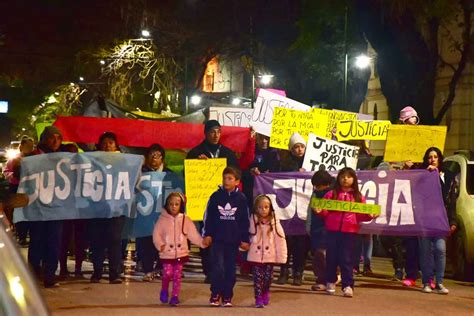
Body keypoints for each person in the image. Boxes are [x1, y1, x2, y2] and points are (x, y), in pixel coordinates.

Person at [186, 119, 239, 283]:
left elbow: (237, 174)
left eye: (218, 131)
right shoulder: (195, 152)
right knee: (207, 237)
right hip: (204, 204)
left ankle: (223, 269)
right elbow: (188, 175)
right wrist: (198, 165)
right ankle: (209, 271)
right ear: (205, 133)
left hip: (226, 204)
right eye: (212, 132)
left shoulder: (228, 153)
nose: (215, 135)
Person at [315, 167, 375, 297]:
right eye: (342, 176)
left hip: (350, 232)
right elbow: (325, 212)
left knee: (347, 259)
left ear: (354, 179)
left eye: (348, 176)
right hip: (332, 231)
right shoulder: (331, 194)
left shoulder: (358, 197)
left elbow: (360, 216)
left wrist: (370, 215)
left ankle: (347, 285)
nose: (345, 179)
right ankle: (330, 281)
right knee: (331, 257)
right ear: (338, 179)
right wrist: (320, 211)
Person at [202, 166, 250, 307]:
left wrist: (245, 239)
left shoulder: (241, 199)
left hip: (232, 241)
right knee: (217, 267)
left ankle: (227, 295)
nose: (226, 181)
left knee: (230, 269)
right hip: (217, 240)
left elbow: (244, 221)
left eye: (230, 178)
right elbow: (208, 217)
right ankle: (215, 293)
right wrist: (207, 234)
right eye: (224, 178)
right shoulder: (215, 197)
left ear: (237, 181)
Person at [153, 192, 210, 306]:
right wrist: (160, 245)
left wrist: (202, 243)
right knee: (168, 273)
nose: (174, 206)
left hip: (180, 253)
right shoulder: (162, 220)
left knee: (177, 276)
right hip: (167, 253)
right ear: (167, 205)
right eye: (171, 204)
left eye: (176, 204)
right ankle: (164, 289)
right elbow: (156, 234)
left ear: (181, 206)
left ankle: (175, 296)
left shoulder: (185, 220)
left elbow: (193, 235)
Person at [28, 126, 66, 288]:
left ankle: (50, 275)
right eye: (52, 137)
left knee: (54, 241)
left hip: (56, 209)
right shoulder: (32, 158)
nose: (55, 141)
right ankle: (33, 274)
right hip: (37, 208)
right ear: (44, 138)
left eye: (59, 138)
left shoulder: (64, 159)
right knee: (37, 241)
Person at [88, 132, 126, 284]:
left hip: (116, 207)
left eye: (111, 142)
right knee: (97, 240)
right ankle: (97, 271)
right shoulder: (93, 161)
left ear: (116, 145)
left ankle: (114, 273)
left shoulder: (124, 161)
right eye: (104, 142)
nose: (107, 145)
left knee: (115, 240)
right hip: (97, 206)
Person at [419, 147, 456, 294]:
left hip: (441, 219)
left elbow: (451, 200)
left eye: (435, 157)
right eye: (429, 157)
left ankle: (439, 282)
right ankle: (426, 282)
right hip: (426, 219)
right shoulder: (423, 176)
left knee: (440, 250)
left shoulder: (447, 176)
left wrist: (453, 221)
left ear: (440, 159)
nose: (432, 159)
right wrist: (428, 175)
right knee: (426, 251)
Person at [276, 132, 308, 286]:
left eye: (302, 146)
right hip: (287, 209)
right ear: (291, 149)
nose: (299, 149)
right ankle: (284, 270)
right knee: (286, 241)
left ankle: (298, 272)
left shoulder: (311, 162)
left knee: (301, 243)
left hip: (303, 209)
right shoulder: (284, 164)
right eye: (296, 147)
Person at [137, 144, 170, 282]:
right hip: (144, 214)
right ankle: (147, 269)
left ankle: (161, 267)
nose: (154, 158)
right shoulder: (140, 173)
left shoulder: (169, 174)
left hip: (163, 215)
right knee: (145, 241)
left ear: (162, 158)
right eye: (152, 154)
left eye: (158, 155)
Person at [247, 195, 287, 308]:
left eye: (266, 207)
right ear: (256, 208)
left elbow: (280, 239)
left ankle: (265, 292)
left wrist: (281, 256)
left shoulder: (274, 221)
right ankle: (258, 297)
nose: (263, 210)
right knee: (257, 278)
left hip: (270, 256)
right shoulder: (253, 220)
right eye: (260, 207)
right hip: (256, 255)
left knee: (268, 278)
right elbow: (248, 236)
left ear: (270, 208)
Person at [3, 135, 35, 246]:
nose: (30, 148)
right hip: (17, 188)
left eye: (31, 146)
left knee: (29, 212)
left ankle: (27, 234)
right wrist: (11, 175)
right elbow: (6, 171)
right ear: (21, 147)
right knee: (19, 212)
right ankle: (21, 235)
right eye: (28, 146)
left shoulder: (35, 159)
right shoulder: (14, 159)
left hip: (30, 188)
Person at [306, 170, 333, 291]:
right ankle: (321, 279)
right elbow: (310, 212)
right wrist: (308, 226)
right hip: (316, 228)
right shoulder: (315, 194)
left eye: (319, 185)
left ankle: (330, 278)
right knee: (318, 254)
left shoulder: (334, 194)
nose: (317, 188)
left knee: (326, 254)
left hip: (329, 228)